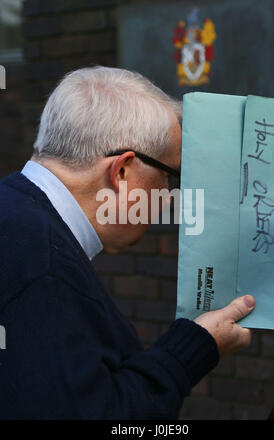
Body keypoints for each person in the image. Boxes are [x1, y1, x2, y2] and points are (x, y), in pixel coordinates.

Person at [0, 66, 255, 419]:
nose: (167, 197)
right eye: (168, 176)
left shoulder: (17, 220)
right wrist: (195, 348)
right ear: (121, 170)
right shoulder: (44, 269)